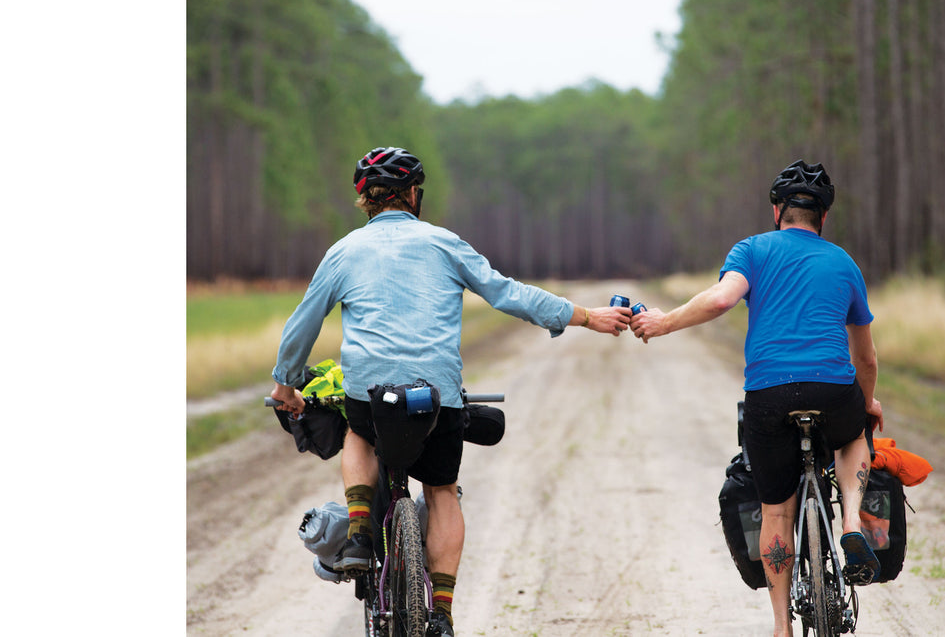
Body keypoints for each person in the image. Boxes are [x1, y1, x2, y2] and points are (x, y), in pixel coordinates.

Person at [271, 146, 632, 637]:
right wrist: (587, 316)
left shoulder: (344, 251)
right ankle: (440, 611)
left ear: (366, 202)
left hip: (368, 391)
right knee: (441, 491)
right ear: (414, 194)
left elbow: (303, 323)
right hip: (436, 395)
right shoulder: (445, 244)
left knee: (360, 430)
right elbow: (509, 293)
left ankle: (358, 534)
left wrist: (286, 382)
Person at [628, 160, 883, 637]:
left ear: (776, 211)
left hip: (769, 396)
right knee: (855, 435)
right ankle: (850, 519)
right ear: (823, 218)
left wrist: (663, 323)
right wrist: (866, 404)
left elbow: (723, 299)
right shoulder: (844, 263)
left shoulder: (752, 250)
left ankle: (782, 626)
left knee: (776, 511)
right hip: (832, 390)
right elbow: (865, 359)